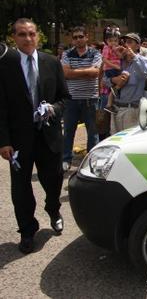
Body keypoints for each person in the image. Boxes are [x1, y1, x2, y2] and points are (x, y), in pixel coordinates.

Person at [0, 18, 70, 253]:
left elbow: (64, 97)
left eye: (31, 34)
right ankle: (27, 230)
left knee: (53, 179)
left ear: (38, 36)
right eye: (22, 34)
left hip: (48, 135)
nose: (27, 38)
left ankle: (53, 209)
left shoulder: (51, 62)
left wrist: (53, 109)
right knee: (21, 188)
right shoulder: (5, 65)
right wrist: (4, 141)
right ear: (14, 38)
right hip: (19, 140)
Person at [61, 26, 102, 172]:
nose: (78, 39)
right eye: (75, 37)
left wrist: (74, 72)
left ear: (86, 37)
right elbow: (65, 74)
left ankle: (92, 161)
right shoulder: (67, 54)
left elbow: (95, 72)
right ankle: (66, 159)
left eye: (80, 36)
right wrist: (86, 72)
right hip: (71, 99)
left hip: (90, 99)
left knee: (93, 132)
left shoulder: (95, 53)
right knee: (68, 132)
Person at [104, 33, 147, 133]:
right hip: (116, 108)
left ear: (138, 46)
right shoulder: (120, 60)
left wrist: (134, 56)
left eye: (129, 42)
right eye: (125, 42)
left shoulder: (143, 60)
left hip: (131, 110)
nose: (126, 44)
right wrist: (114, 80)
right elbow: (105, 80)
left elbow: (145, 72)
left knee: (130, 143)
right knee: (115, 140)